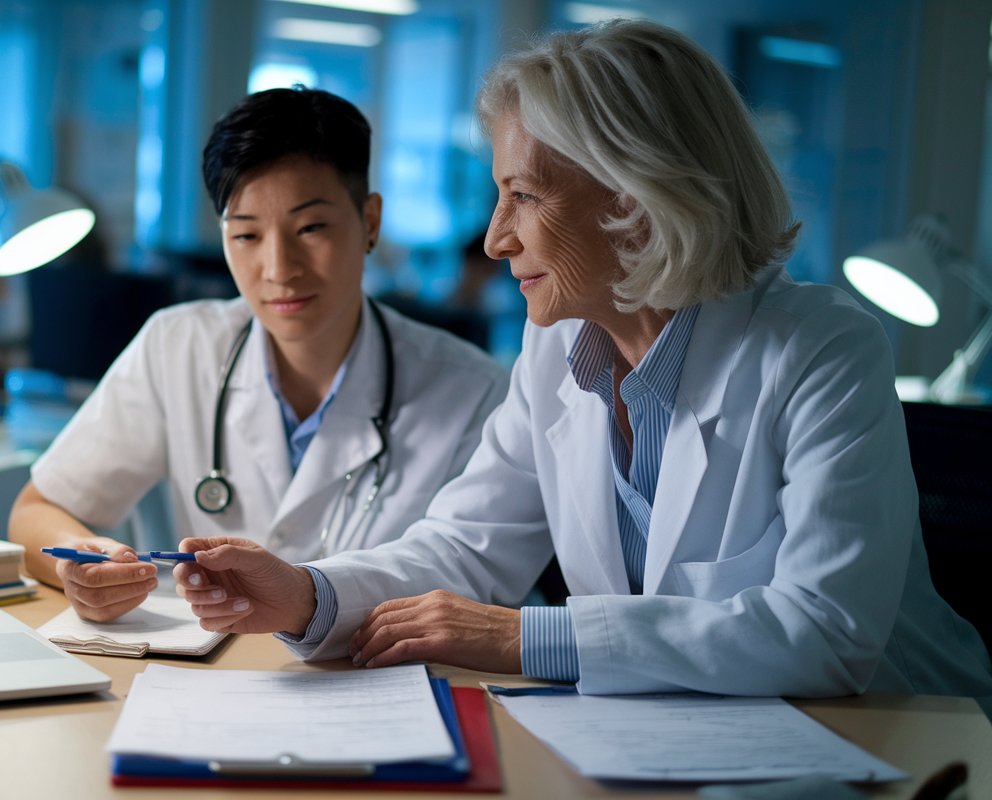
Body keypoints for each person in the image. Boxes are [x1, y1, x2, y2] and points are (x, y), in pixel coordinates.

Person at [172, 20, 992, 700]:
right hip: (673, 744)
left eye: (522, 196)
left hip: (896, 743)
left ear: (635, 198)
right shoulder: (559, 345)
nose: (495, 238)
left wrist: (526, 637)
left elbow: (825, 637)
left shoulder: (819, 349)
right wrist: (307, 593)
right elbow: (466, 548)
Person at [9, 87, 509, 623]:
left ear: (369, 222)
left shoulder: (473, 390)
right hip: (198, 682)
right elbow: (38, 510)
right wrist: (82, 564)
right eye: (246, 234)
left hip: (373, 683)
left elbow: (478, 583)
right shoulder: (178, 346)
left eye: (311, 227)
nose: (278, 268)